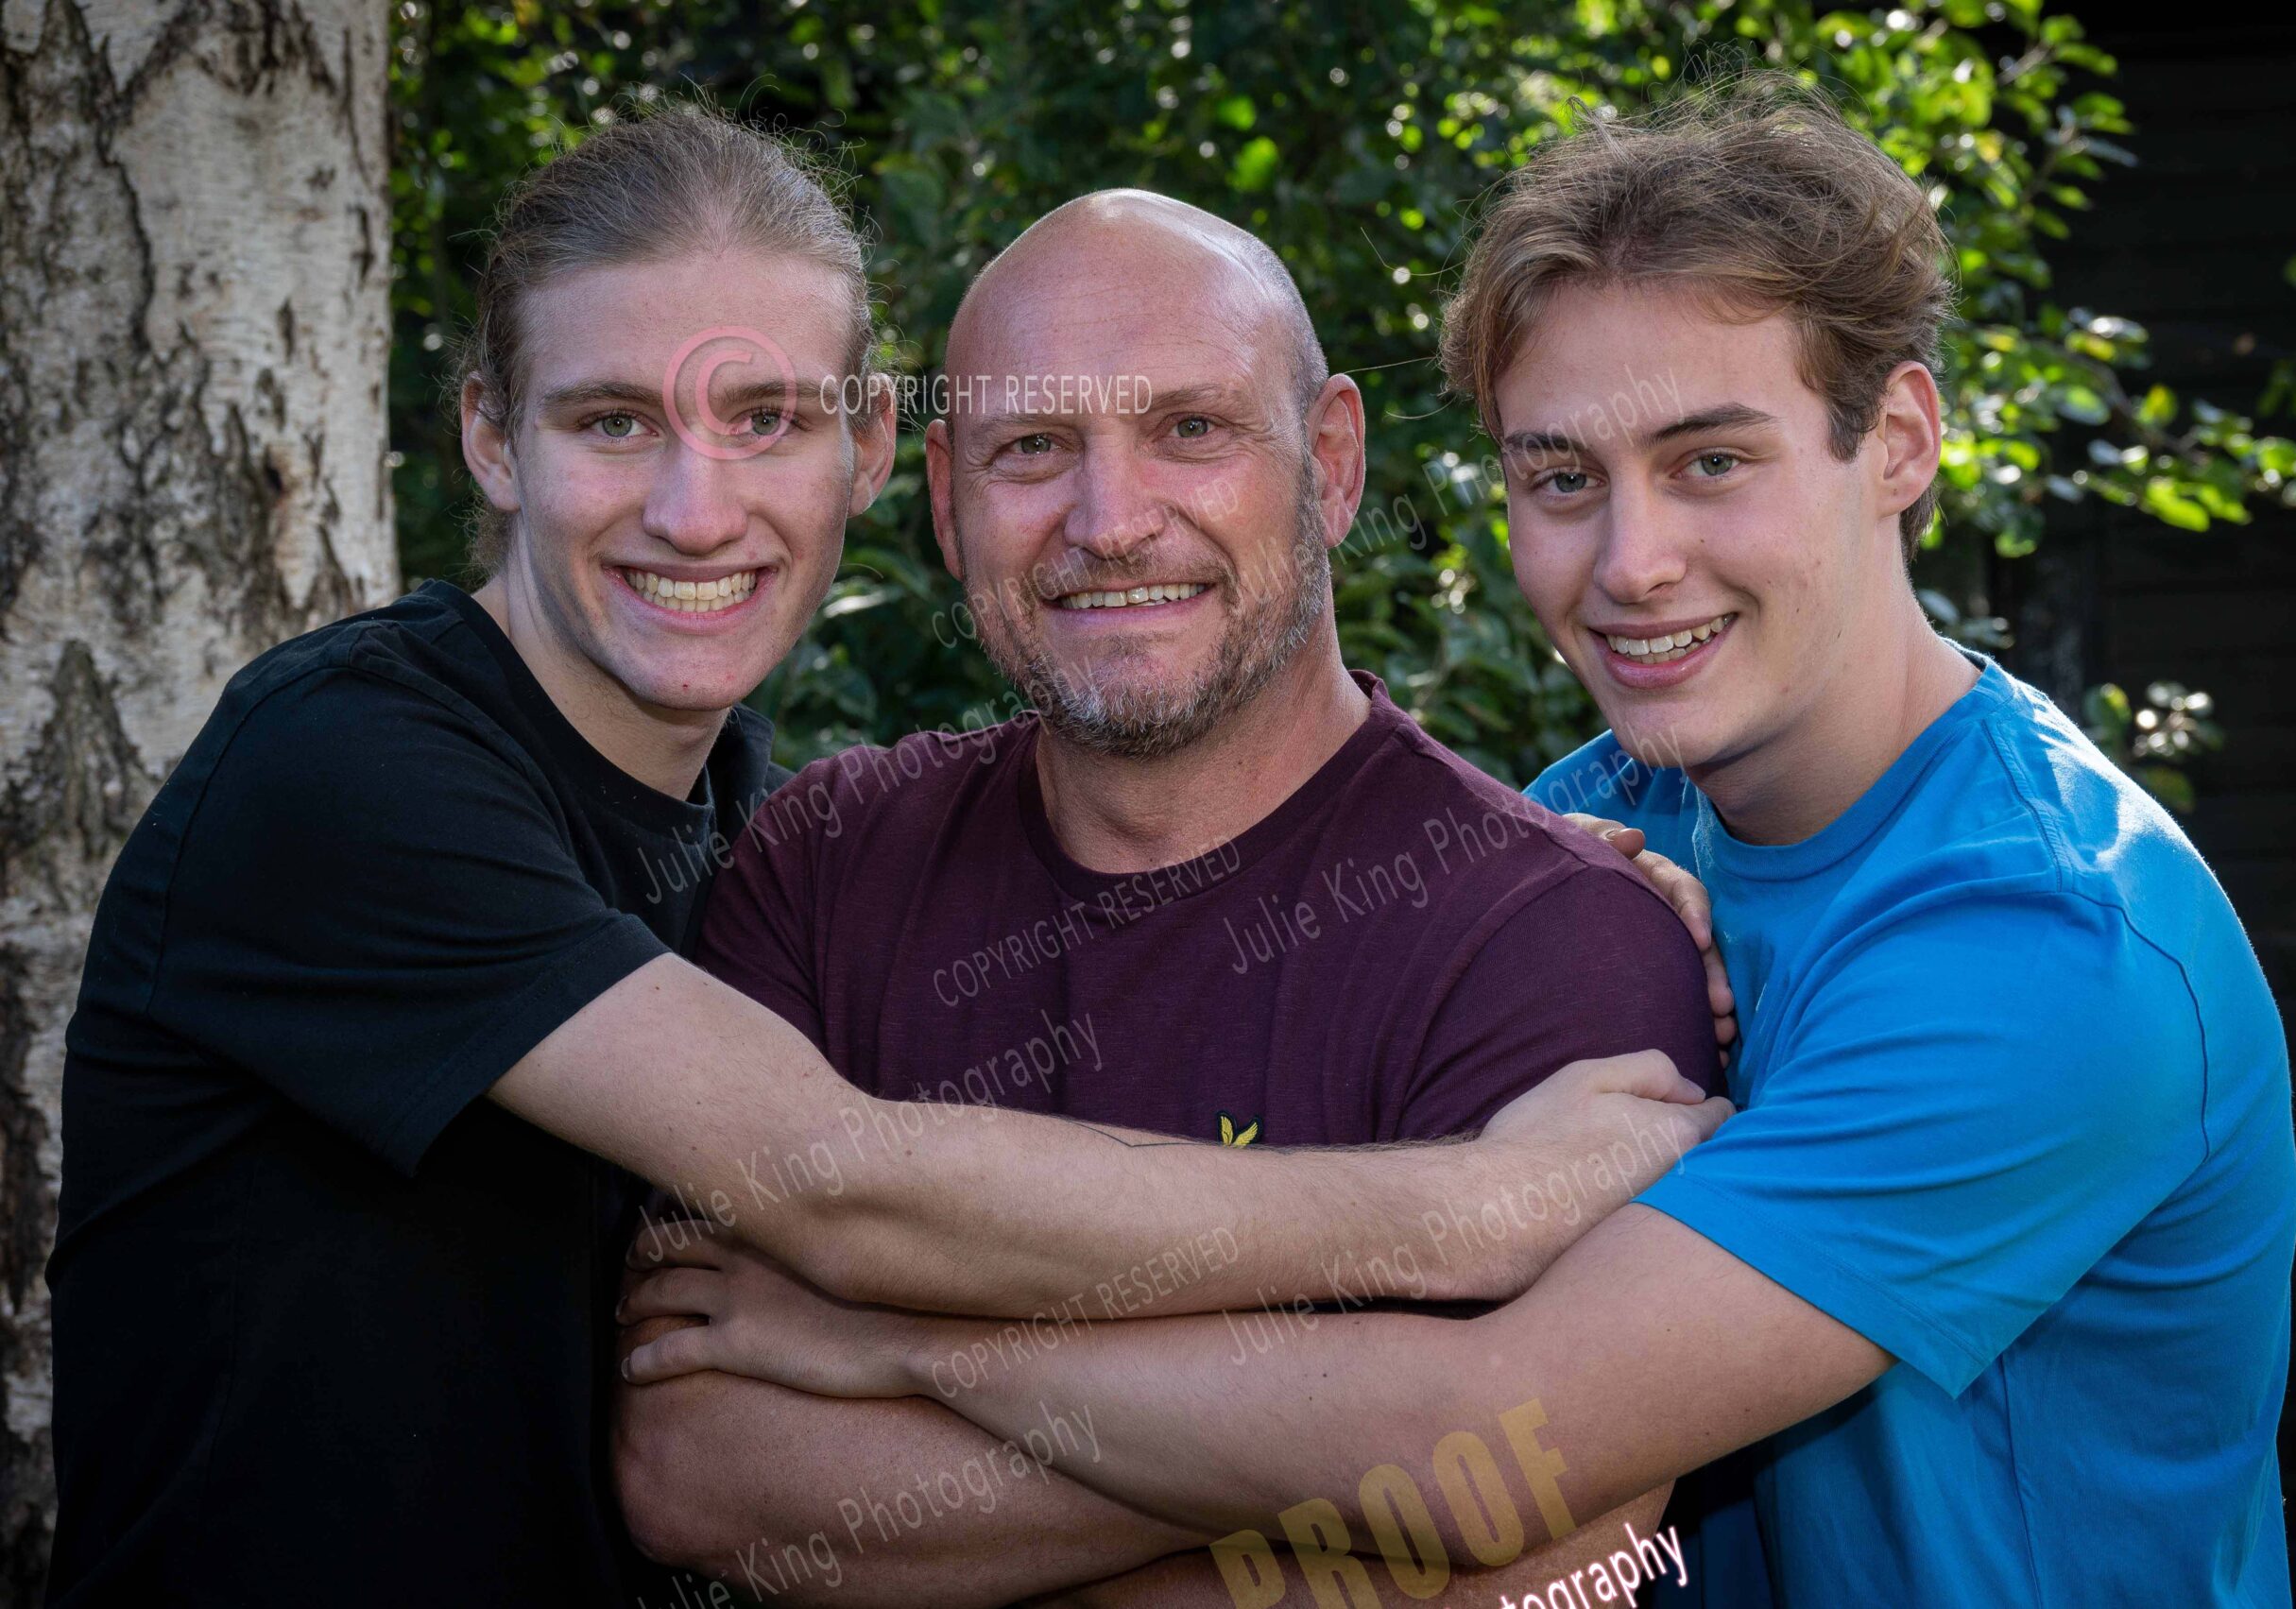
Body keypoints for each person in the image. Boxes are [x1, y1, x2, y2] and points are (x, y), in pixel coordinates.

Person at [619, 75, 2296, 1607]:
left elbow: (1510, 1450)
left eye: (1711, 461)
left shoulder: (2049, 947)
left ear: (1904, 443)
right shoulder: (1617, 823)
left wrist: (894, 1344)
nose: (1633, 560)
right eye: (1562, 476)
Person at [42, 106, 1724, 1607]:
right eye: (615, 420)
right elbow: (771, 1312)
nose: (697, 510)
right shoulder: (363, 773)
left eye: (766, 416)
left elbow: (1544, 1500)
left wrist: (899, 1350)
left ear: (854, 454)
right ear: (492, 437)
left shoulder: (732, 812)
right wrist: (1462, 1230)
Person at [610, 188, 1726, 1607]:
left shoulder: (1552, 946)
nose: (1112, 520)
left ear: (1329, 463)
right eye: (1034, 449)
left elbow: (1547, 1529)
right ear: (947, 500)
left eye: (1191, 429)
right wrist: (1341, 1468)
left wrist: (906, 1341)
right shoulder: (828, 861)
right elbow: (691, 1463)